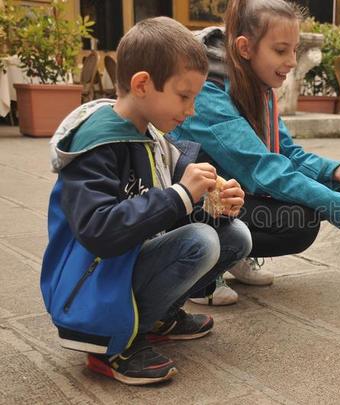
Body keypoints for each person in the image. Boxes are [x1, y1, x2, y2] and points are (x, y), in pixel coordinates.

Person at [170, 0, 340, 306]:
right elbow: (265, 170)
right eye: (281, 50)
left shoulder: (258, 84)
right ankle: (204, 269)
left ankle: (235, 251)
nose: (293, 61)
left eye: (295, 49)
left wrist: (334, 170)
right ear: (245, 48)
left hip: (233, 194)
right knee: (299, 223)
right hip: (190, 201)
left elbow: (286, 153)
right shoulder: (208, 90)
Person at [40, 17, 251, 385]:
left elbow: (181, 194)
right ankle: (114, 346)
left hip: (124, 265)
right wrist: (181, 194)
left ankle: (157, 317)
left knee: (236, 236)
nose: (191, 110)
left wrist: (216, 199)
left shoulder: (151, 137)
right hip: (89, 286)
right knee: (200, 241)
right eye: (184, 96)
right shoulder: (97, 142)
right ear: (142, 84)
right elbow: (98, 230)